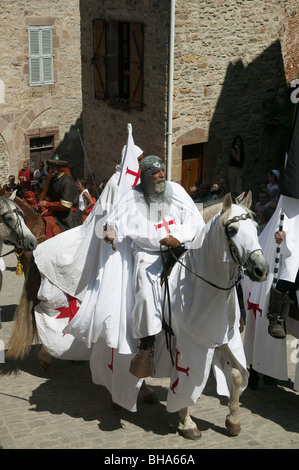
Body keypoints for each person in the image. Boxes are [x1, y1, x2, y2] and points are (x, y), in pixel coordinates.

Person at [104, 155, 205, 378]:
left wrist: (177, 237)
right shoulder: (131, 198)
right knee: (146, 295)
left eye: (162, 170)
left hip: (178, 250)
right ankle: (147, 344)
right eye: (156, 173)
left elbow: (194, 220)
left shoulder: (176, 191)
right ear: (146, 177)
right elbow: (114, 223)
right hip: (147, 255)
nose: (161, 175)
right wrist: (111, 232)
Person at [35, 154, 83, 238]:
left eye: (53, 168)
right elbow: (48, 198)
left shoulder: (67, 182)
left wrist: (47, 204)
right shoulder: (53, 180)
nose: (50, 170)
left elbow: (65, 205)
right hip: (57, 213)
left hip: (69, 217)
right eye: (50, 167)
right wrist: (41, 206)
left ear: (60, 168)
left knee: (69, 238)